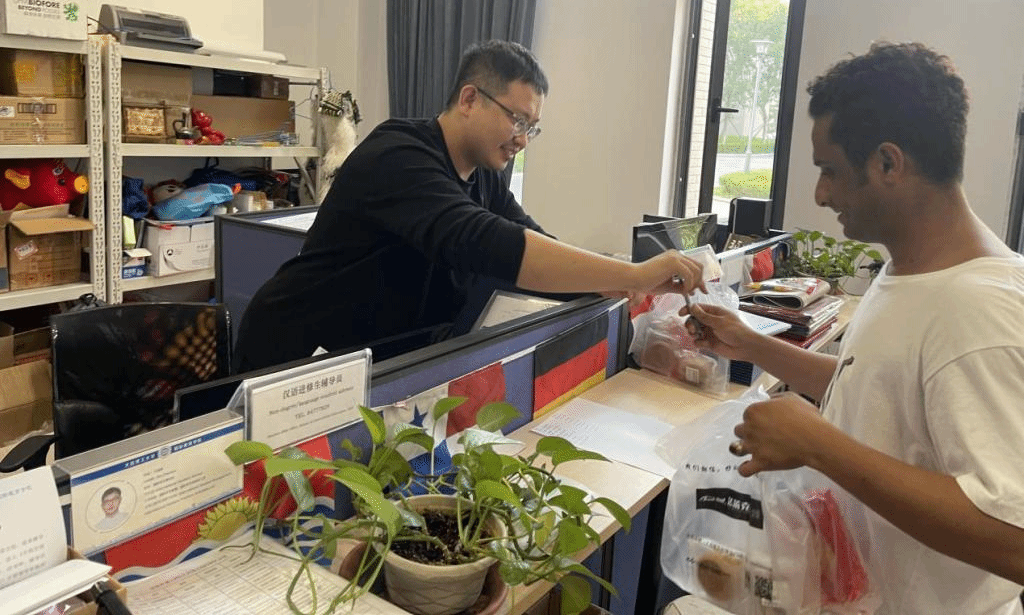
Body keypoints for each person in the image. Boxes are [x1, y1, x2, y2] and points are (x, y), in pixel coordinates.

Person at [686, 41, 1024, 613]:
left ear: (888, 163)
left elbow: (1013, 540)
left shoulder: (978, 311)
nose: (821, 194)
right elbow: (874, 388)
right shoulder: (913, 271)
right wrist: (749, 344)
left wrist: (820, 446)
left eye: (830, 171)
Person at [235, 40, 704, 372]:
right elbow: (484, 242)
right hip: (299, 356)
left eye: (532, 127)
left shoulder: (485, 177)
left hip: (380, 361)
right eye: (517, 119)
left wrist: (610, 279)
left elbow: (530, 240)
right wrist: (632, 274)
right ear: (469, 99)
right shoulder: (398, 154)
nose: (523, 139)